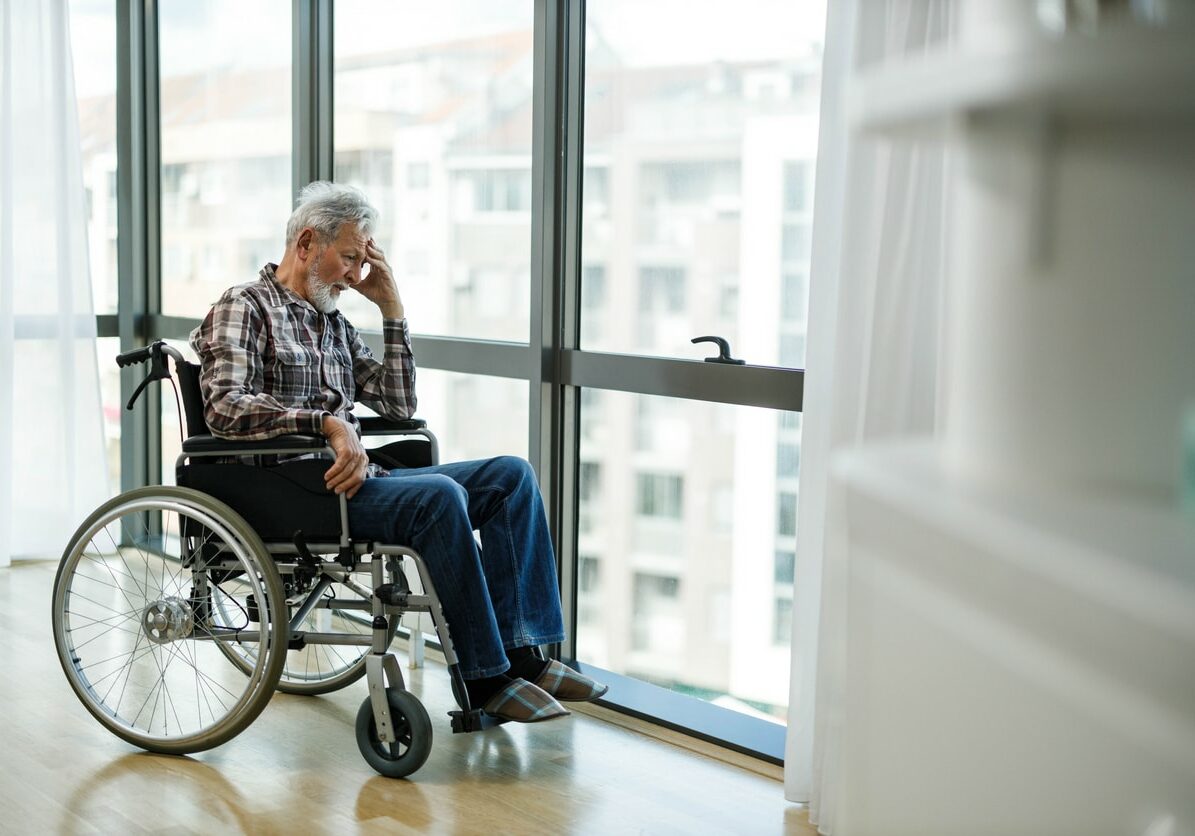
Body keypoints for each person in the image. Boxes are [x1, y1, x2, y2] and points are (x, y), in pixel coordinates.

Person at [190, 181, 606, 723]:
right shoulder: (244, 306)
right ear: (308, 243)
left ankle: (524, 657)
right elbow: (225, 406)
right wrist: (326, 422)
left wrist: (391, 308)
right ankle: (484, 680)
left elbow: (398, 403)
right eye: (349, 258)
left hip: (356, 480)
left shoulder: (332, 321)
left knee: (511, 477)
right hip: (293, 489)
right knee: (438, 497)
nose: (354, 275)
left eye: (364, 261)